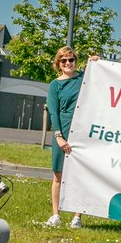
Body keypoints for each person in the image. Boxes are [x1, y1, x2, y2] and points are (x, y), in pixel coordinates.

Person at [46, 45, 85, 228]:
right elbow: (53, 112)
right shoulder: (55, 85)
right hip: (62, 129)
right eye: (64, 60)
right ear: (58, 64)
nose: (68, 63)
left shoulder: (84, 79)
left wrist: (97, 61)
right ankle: (56, 214)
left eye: (71, 59)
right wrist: (59, 136)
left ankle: (77, 216)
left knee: (79, 175)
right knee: (58, 175)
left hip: (81, 131)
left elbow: (102, 77)